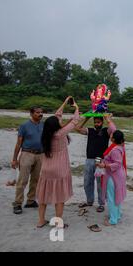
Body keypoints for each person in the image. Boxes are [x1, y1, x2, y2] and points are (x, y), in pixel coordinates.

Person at [35, 96, 80, 228]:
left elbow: (56, 115)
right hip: (59, 169)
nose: (60, 119)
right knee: (59, 198)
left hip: (46, 169)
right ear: (56, 125)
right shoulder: (60, 134)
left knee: (43, 197)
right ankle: (58, 222)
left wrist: (65, 103)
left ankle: (41, 221)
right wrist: (76, 107)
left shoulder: (46, 134)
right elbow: (75, 120)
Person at [75, 115, 116, 212]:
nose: (96, 124)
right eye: (95, 122)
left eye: (98, 122)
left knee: (100, 184)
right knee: (87, 182)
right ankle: (89, 201)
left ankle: (101, 204)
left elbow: (113, 130)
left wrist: (107, 119)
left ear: (102, 123)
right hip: (89, 159)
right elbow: (77, 128)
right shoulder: (90, 131)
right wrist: (86, 118)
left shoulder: (106, 131)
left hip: (101, 161)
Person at [11, 106, 44, 214]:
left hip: (40, 155)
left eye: (41, 112)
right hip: (27, 154)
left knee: (36, 179)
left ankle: (30, 200)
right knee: (22, 180)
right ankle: (17, 203)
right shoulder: (24, 126)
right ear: (31, 113)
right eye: (37, 112)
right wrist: (14, 159)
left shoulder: (43, 125)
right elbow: (18, 143)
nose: (40, 114)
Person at [97, 130, 127, 226]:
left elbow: (117, 164)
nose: (110, 135)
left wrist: (104, 165)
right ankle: (117, 215)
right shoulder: (120, 147)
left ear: (113, 139)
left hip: (114, 176)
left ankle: (113, 219)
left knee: (111, 197)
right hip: (119, 175)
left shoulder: (115, 150)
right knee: (116, 196)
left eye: (112, 135)